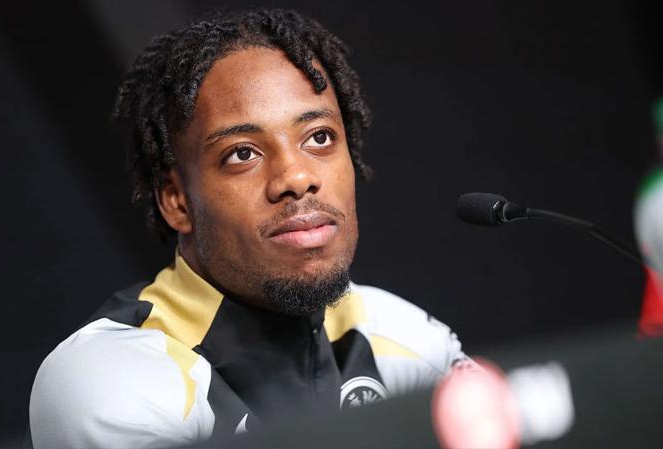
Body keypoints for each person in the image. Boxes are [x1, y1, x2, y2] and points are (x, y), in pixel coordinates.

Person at [29, 8, 466, 449]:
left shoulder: (402, 335)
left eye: (319, 137)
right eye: (242, 153)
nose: (296, 177)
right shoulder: (111, 377)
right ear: (177, 201)